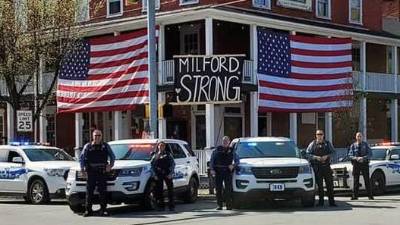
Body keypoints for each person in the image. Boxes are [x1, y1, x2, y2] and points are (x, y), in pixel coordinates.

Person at [80, 129, 115, 217]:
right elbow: (82, 158)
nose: (97, 137)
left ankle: (103, 210)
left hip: (102, 172)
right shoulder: (87, 146)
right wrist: (82, 169)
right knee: (89, 192)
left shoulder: (105, 146)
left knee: (103, 192)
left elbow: (112, 156)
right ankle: (88, 210)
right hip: (91, 172)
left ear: (101, 136)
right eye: (96, 136)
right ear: (93, 136)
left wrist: (110, 166)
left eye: (99, 135)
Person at [306, 130, 337, 207]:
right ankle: (321, 202)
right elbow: (307, 154)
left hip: (326, 167)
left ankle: (332, 202)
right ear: (316, 135)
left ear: (323, 135)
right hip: (317, 167)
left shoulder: (327, 143)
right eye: (318, 134)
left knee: (329, 185)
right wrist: (315, 157)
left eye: (321, 134)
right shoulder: (312, 144)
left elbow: (334, 153)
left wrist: (327, 156)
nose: (319, 136)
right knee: (320, 186)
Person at [210, 136, 240, 210]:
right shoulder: (217, 150)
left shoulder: (232, 151)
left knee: (228, 189)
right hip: (218, 172)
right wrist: (212, 169)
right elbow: (212, 161)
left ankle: (228, 205)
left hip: (227, 172)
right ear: (222, 142)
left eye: (226, 141)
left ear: (229, 142)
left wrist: (233, 165)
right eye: (224, 141)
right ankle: (219, 205)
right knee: (218, 189)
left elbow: (237, 161)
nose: (225, 142)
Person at [150, 141, 176, 211]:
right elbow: (152, 165)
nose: (161, 147)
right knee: (159, 190)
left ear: (165, 147)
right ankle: (161, 206)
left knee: (170, 190)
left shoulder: (168, 154)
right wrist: (154, 175)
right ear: (158, 146)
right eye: (160, 146)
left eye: (163, 146)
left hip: (167, 173)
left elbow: (173, 164)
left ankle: (171, 206)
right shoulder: (155, 155)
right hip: (158, 174)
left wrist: (171, 174)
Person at [348, 132, 374, 200]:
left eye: (360, 136)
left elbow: (370, 154)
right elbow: (350, 155)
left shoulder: (365, 145)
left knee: (367, 180)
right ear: (356, 137)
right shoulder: (353, 146)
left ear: (362, 137)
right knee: (356, 180)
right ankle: (355, 196)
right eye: (357, 136)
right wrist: (356, 158)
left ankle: (370, 195)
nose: (359, 138)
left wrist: (363, 158)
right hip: (356, 163)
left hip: (364, 163)